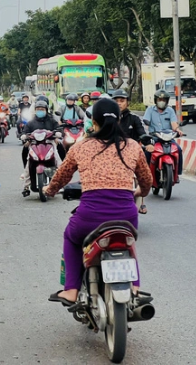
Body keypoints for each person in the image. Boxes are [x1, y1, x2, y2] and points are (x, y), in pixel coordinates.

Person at [44, 98, 152, 306]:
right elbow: (146, 179)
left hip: (90, 216)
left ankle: (71, 290)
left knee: (71, 237)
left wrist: (50, 190)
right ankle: (135, 287)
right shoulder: (132, 146)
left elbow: (62, 176)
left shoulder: (81, 146)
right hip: (127, 215)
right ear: (119, 120)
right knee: (127, 241)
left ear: (93, 121)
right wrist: (140, 191)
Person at [21, 100, 63, 196]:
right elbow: (24, 132)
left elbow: (59, 128)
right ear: (35, 110)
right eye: (38, 109)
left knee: (58, 161)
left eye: (42, 109)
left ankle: (61, 184)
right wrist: (25, 138)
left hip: (49, 143)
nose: (40, 111)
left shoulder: (52, 120)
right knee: (29, 163)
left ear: (46, 110)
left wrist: (57, 135)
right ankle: (26, 186)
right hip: (35, 144)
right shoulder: (31, 122)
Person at [142, 90, 184, 181]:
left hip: (168, 138)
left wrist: (177, 130)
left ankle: (177, 174)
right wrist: (145, 133)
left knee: (178, 149)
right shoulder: (150, 110)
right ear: (155, 100)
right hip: (154, 138)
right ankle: (146, 174)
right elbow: (146, 123)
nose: (162, 102)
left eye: (164, 100)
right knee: (147, 152)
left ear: (167, 101)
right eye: (160, 99)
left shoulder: (170, 110)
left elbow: (174, 124)